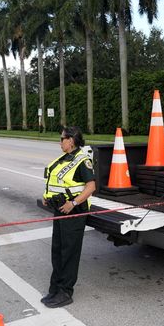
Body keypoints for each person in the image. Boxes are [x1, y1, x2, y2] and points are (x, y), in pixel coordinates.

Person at [41, 126, 96, 308]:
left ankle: (65, 292)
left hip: (74, 211)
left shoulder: (82, 160)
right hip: (60, 210)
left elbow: (91, 187)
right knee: (57, 250)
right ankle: (55, 288)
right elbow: (57, 181)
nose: (60, 142)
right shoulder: (64, 159)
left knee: (69, 253)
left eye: (62, 139)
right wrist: (47, 196)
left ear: (71, 140)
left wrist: (73, 203)